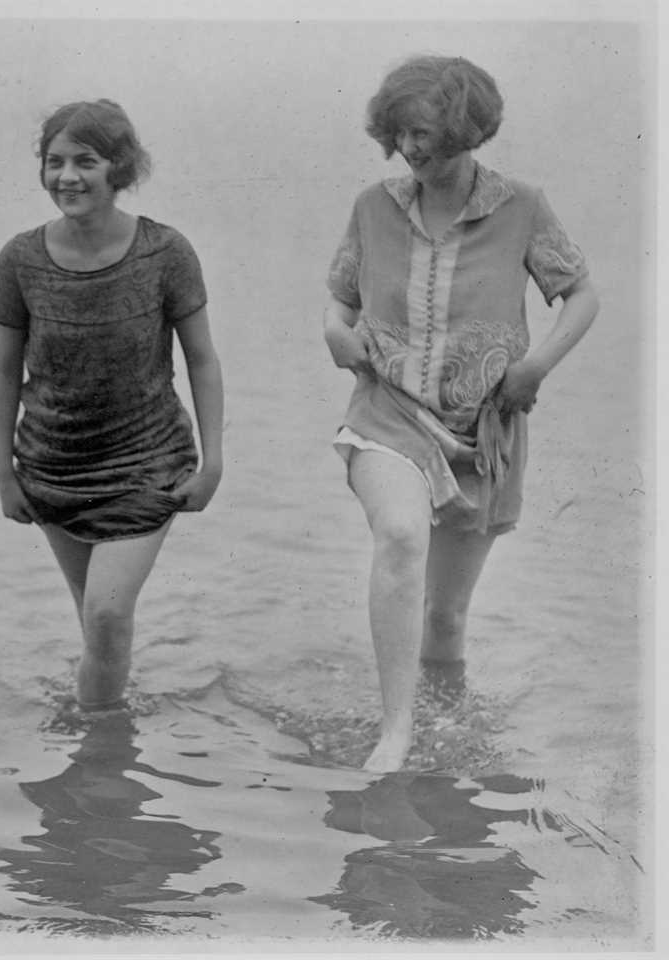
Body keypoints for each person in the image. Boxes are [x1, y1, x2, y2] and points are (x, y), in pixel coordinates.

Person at [323, 56, 598, 772]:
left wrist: (535, 367)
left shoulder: (522, 206)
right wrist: (333, 331)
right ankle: (397, 733)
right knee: (402, 535)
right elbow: (340, 300)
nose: (412, 148)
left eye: (428, 133)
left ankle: (449, 747)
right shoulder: (373, 206)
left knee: (445, 619)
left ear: (468, 130)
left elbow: (582, 296)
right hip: (387, 411)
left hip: (482, 432)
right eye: (402, 133)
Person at [0, 100, 224, 714]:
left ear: (119, 168)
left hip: (147, 464)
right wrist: (4, 473)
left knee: (108, 613)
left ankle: (99, 756)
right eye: (54, 161)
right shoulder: (20, 258)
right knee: (96, 624)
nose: (67, 176)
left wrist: (214, 463)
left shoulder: (165, 252)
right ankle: (101, 773)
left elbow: (201, 359)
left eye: (85, 161)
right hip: (52, 469)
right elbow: (5, 368)